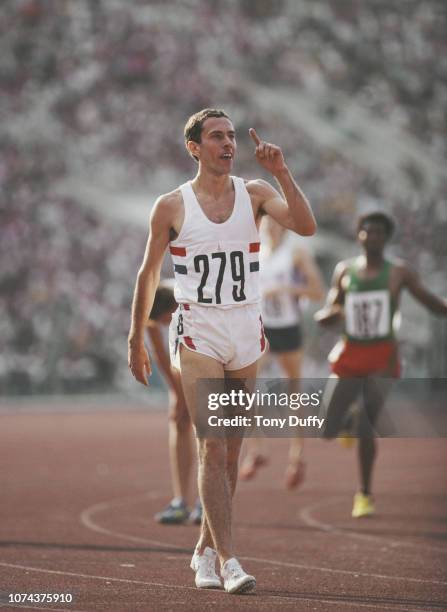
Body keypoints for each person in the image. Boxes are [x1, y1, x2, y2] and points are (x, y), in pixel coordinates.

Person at [128, 108, 316, 594]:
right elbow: (149, 275)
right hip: (200, 330)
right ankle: (231, 559)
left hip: (246, 328)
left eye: (231, 136)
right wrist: (134, 338)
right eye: (216, 136)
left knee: (231, 451)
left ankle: (205, 550)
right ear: (194, 147)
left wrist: (282, 172)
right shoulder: (171, 206)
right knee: (212, 442)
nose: (227, 143)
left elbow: (305, 225)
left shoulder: (255, 194)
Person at [314, 210, 447, 518]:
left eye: (378, 232)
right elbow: (330, 310)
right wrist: (328, 317)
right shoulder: (345, 271)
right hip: (349, 354)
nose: (372, 236)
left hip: (382, 357)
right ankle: (344, 421)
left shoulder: (400, 272)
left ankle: (364, 495)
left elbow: (431, 303)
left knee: (366, 424)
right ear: (359, 235)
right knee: (326, 428)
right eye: (367, 231)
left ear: (386, 238)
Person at [240, 216, 325, 488]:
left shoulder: (296, 253)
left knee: (293, 391)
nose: (270, 229)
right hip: (263, 329)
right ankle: (257, 449)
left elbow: (317, 291)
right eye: (266, 225)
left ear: (284, 227)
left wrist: (286, 289)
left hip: (288, 328)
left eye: (275, 224)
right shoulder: (256, 252)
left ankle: (296, 456)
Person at [146, 280, 202, 525]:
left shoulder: (192, 304)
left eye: (165, 321)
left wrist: (189, 397)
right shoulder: (150, 308)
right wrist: (178, 395)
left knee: (205, 425)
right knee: (178, 421)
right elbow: (160, 354)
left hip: (203, 354)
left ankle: (204, 501)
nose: (163, 326)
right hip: (179, 360)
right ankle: (180, 501)